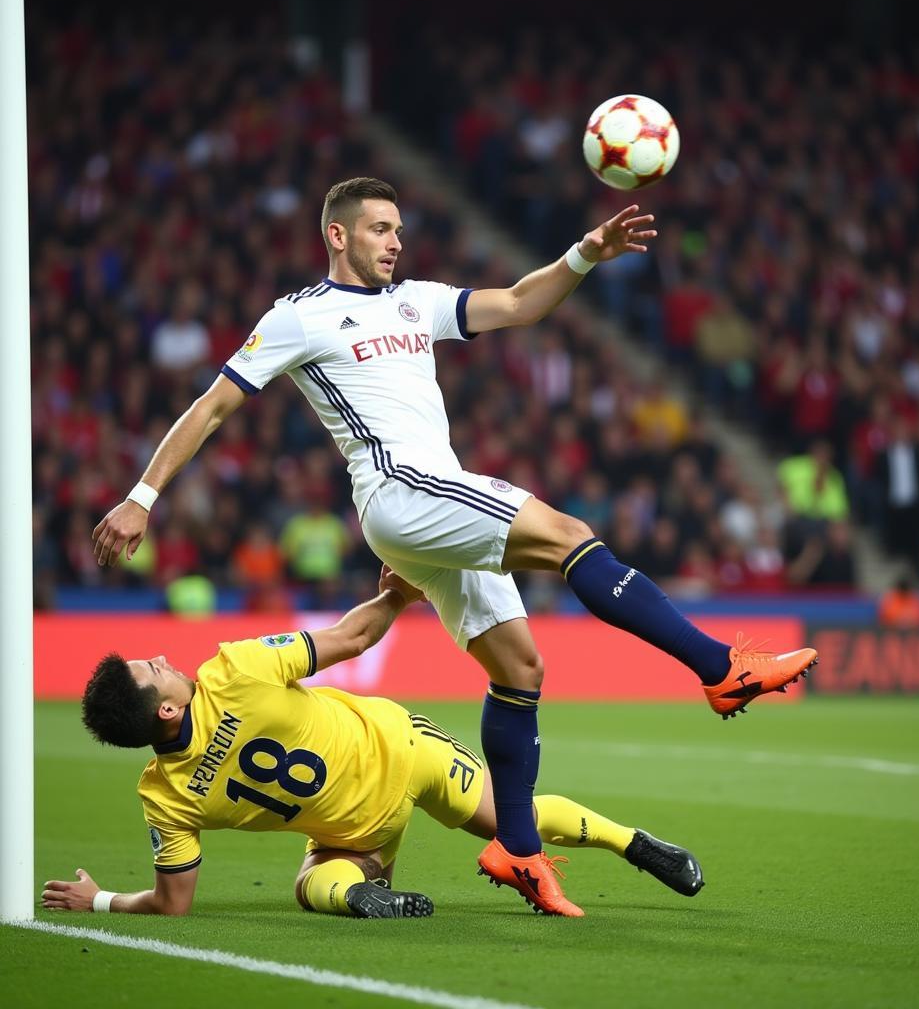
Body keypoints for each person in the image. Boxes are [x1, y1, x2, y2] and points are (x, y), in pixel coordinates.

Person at [92, 176, 816, 915]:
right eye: (380, 229)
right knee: (572, 536)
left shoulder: (418, 300)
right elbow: (214, 405)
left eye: (399, 229)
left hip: (430, 501)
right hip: (401, 489)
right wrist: (142, 495)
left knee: (522, 670)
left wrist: (585, 254)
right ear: (337, 235)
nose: (396, 242)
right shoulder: (297, 319)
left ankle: (521, 853)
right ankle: (720, 668)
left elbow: (518, 303)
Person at [41, 568, 702, 919]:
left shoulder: (166, 798)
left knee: (309, 881)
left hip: (354, 831)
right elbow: (352, 638)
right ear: (164, 706)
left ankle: (355, 894)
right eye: (151, 668)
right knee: (511, 815)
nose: (160, 656)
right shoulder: (232, 671)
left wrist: (99, 899)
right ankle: (634, 844)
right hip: (402, 749)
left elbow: (171, 902)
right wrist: (394, 595)